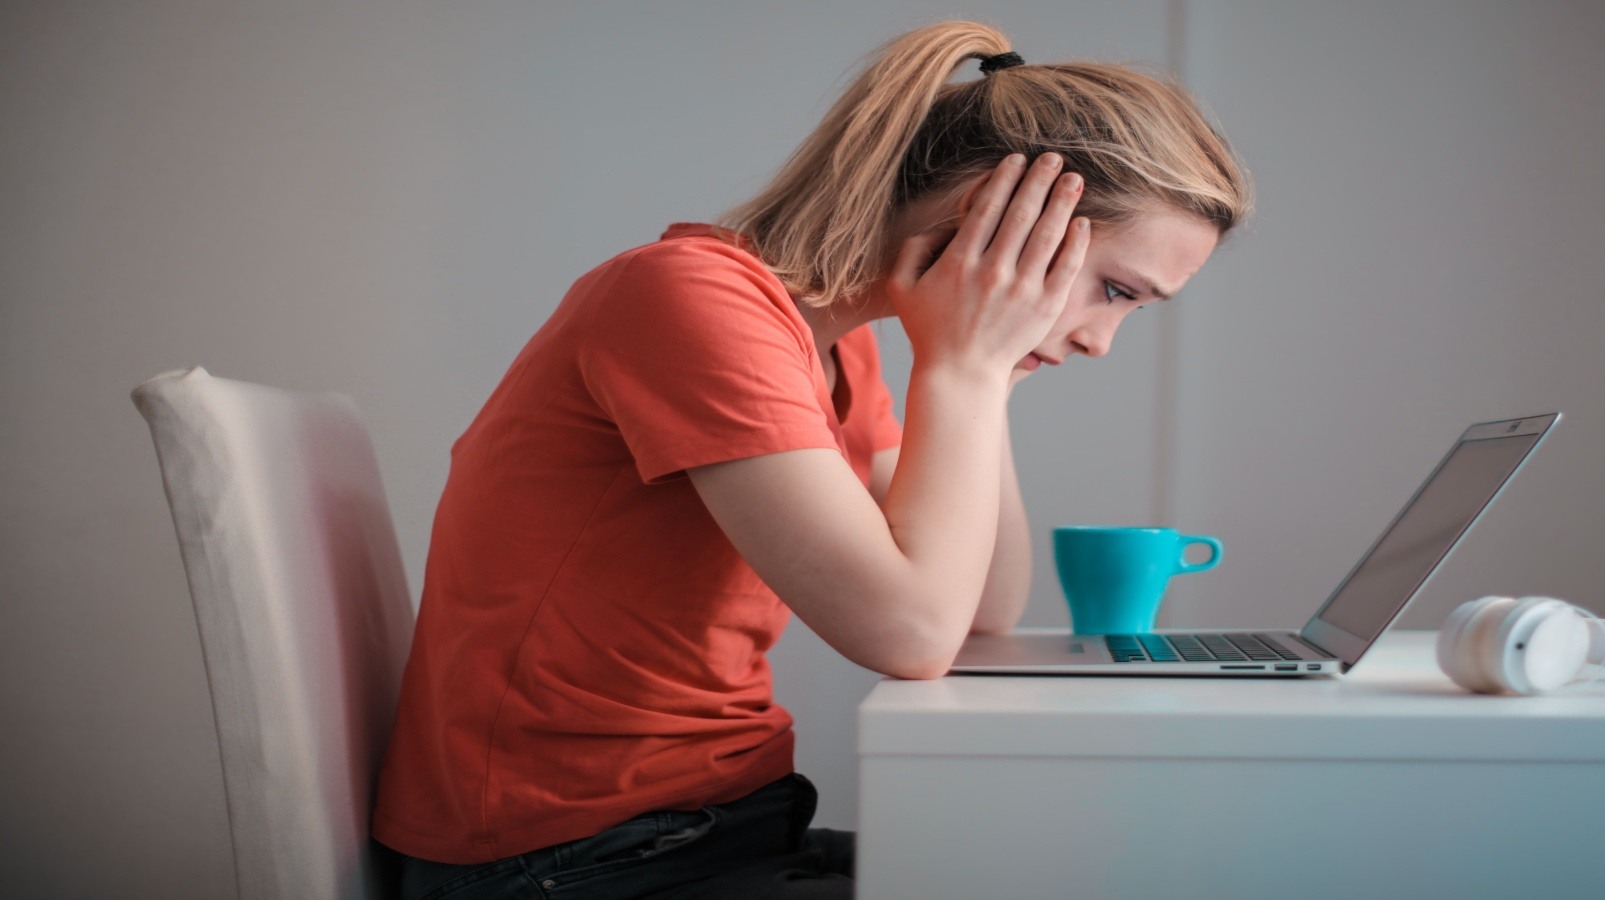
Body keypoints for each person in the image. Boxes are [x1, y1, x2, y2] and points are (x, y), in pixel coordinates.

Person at [372, 19, 1252, 900]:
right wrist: (968, 371)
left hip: (719, 821)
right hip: (564, 857)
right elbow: (908, 635)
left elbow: (983, 607)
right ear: (998, 214)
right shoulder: (691, 300)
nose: (1105, 341)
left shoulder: (834, 347)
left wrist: (989, 371)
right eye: (1117, 290)